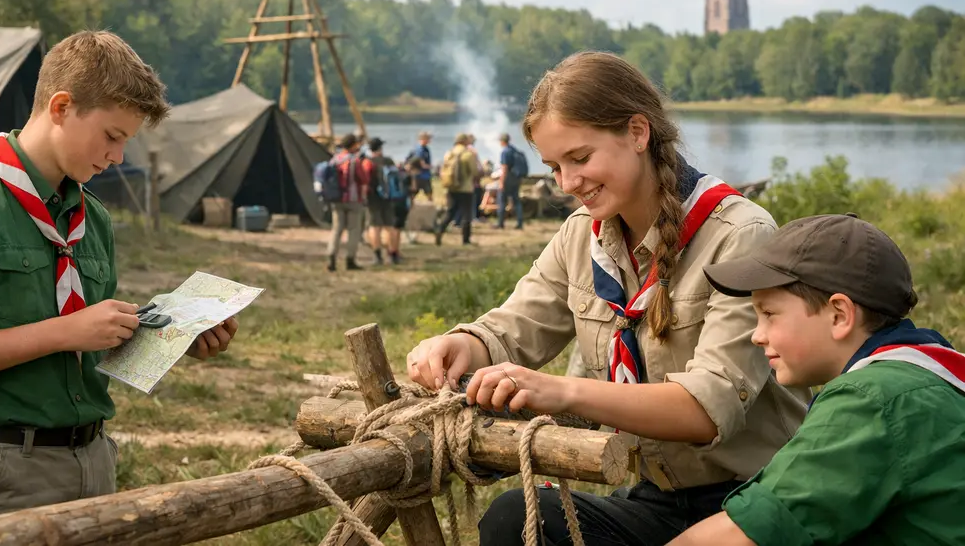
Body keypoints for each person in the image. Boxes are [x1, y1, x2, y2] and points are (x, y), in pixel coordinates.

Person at [406, 51, 810, 546]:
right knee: (517, 519)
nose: (568, 184)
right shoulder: (583, 235)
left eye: (580, 158)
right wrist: (462, 345)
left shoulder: (738, 233)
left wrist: (562, 391)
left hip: (762, 500)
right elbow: (514, 326)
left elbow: (707, 409)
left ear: (637, 133)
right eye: (554, 166)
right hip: (657, 498)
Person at [0, 30, 241, 526]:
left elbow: (86, 348)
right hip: (0, 472)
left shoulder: (91, 218)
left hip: (93, 459)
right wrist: (65, 332)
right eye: (112, 136)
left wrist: (171, 335)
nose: (118, 156)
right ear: (61, 107)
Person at [669, 213, 965, 546]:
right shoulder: (926, 368)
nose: (757, 335)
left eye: (769, 314)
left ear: (839, 315)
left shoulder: (869, 399)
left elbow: (742, 537)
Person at [326, 133, 371, 272]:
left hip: (336, 198)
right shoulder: (354, 161)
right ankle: (350, 259)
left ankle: (331, 257)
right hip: (353, 199)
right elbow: (363, 179)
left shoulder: (335, 159)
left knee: (336, 229)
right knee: (353, 230)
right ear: (353, 145)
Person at [365, 137, 408, 265]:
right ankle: (393, 254)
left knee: (374, 227)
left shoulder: (367, 162)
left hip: (373, 197)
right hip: (389, 197)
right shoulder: (388, 161)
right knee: (390, 226)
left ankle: (377, 256)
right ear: (380, 148)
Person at [433, 133, 479, 247]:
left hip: (451, 187)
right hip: (465, 189)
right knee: (466, 214)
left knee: (450, 211)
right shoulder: (468, 154)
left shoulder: (449, 153)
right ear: (465, 141)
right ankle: (466, 240)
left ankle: (440, 229)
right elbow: (474, 171)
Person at [497, 133, 524, 230]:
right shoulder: (514, 149)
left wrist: (501, 182)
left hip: (508, 178)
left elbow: (504, 168)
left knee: (502, 200)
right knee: (516, 201)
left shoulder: (505, 151)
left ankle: (500, 224)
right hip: (516, 178)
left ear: (502, 141)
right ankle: (520, 223)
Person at [406, 131, 434, 202]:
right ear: (423, 139)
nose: (429, 140)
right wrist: (431, 167)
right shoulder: (420, 150)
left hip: (422, 175)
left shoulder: (424, 148)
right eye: (428, 138)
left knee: (415, 193)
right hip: (420, 175)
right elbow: (422, 164)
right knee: (427, 193)